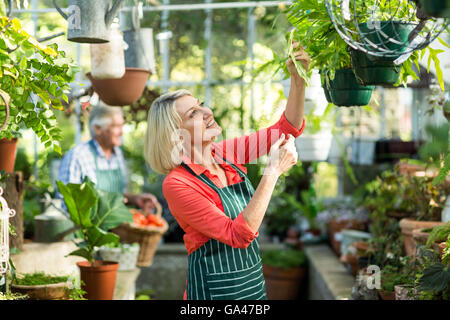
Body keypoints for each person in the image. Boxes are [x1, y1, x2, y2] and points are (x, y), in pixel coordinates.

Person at [144, 42, 310, 300]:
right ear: (175, 135)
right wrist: (272, 172)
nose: (207, 112)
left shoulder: (225, 153)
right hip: (213, 295)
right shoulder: (178, 184)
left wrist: (298, 80)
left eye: (201, 105)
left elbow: (285, 129)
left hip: (252, 288)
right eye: (193, 114)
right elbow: (238, 234)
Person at [58, 102, 158, 212]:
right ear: (97, 128)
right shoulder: (77, 156)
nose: (121, 131)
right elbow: (67, 203)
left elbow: (117, 196)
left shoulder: (117, 154)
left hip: (118, 227)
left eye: (122, 125)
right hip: (89, 228)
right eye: (115, 126)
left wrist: (134, 199)